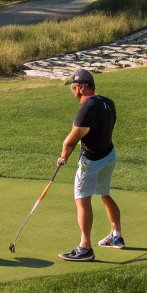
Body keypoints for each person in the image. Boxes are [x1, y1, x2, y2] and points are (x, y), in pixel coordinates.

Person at [55, 68, 123, 262]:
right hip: (109, 155)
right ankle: (116, 235)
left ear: (82, 88)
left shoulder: (87, 108)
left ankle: (85, 248)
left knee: (82, 199)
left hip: (91, 161)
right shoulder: (107, 102)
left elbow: (70, 141)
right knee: (104, 194)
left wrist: (63, 157)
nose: (73, 91)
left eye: (74, 87)